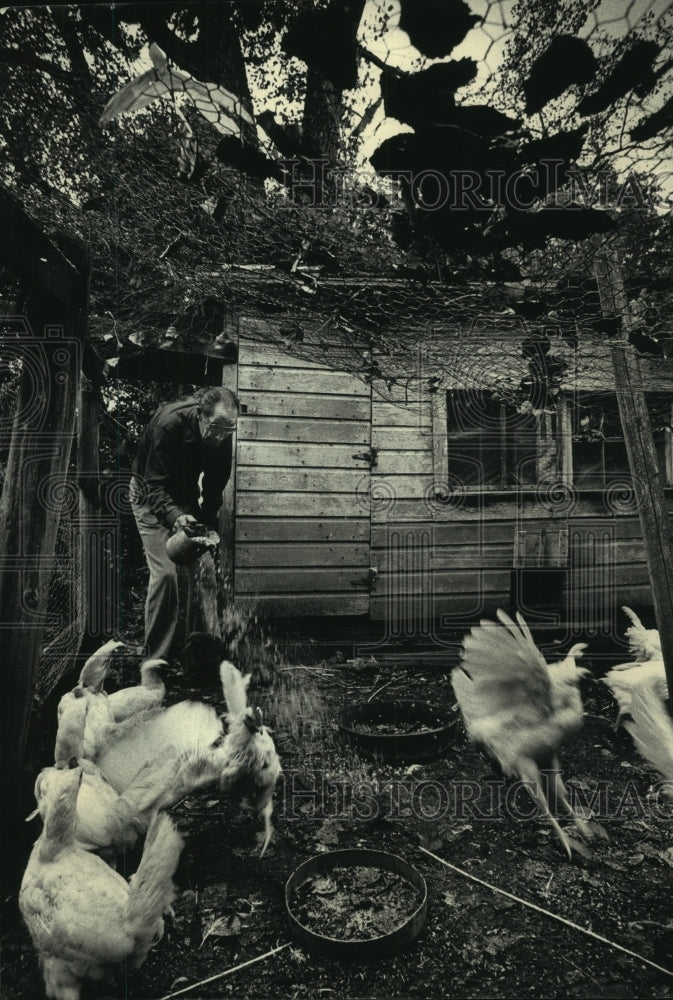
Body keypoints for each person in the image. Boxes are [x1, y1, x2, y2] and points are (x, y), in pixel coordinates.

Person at [129, 386, 239, 659]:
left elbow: (214, 488)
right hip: (148, 495)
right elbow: (154, 487)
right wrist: (176, 518)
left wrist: (207, 526)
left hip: (185, 500)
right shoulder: (168, 424)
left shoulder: (222, 433)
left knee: (205, 574)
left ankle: (199, 658)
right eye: (216, 428)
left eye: (229, 431)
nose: (221, 436)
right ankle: (154, 664)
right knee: (165, 575)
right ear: (201, 416)